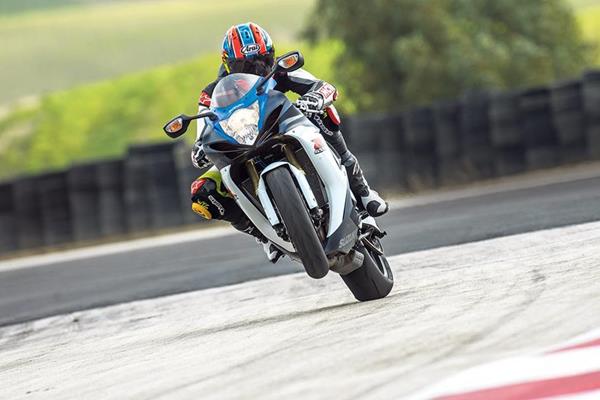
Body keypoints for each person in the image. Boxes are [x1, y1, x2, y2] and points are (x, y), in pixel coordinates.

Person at [190, 22, 388, 262]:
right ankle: (263, 235)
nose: (255, 69)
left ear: (271, 56)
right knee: (203, 192)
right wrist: (199, 147)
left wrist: (316, 97)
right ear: (227, 64)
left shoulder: (279, 70)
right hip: (240, 142)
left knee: (324, 113)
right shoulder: (212, 93)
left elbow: (323, 86)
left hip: (283, 126)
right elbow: (202, 130)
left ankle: (362, 190)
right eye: (244, 65)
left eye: (261, 61)